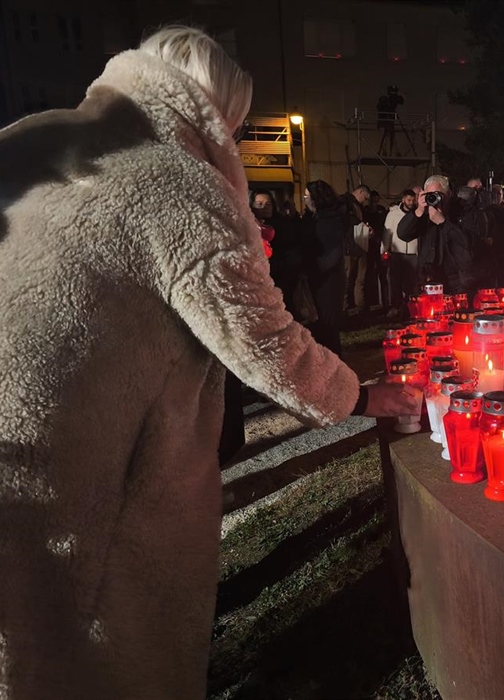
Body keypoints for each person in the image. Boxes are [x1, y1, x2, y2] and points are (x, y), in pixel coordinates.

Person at [0, 26, 416, 699]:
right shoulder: (174, 183)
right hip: (78, 475)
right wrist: (367, 398)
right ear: (217, 115)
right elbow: (264, 343)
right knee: (93, 651)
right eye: (239, 127)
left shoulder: (33, 137)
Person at [397, 174, 477, 297]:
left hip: (458, 280)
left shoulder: (463, 212)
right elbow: (403, 234)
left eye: (439, 194)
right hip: (430, 279)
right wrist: (418, 211)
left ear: (449, 194)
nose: (435, 198)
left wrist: (443, 222)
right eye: (430, 195)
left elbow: (468, 242)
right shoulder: (423, 215)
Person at [301, 180, 348, 357]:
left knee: (328, 327)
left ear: (317, 198)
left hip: (329, 281)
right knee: (319, 327)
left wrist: (311, 269)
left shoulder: (331, 220)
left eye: (307, 196)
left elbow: (333, 255)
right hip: (317, 278)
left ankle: (337, 369)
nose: (304, 200)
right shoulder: (314, 218)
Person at [382, 188, 418, 318]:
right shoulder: (393, 214)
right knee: (395, 281)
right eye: (408, 200)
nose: (411, 202)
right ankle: (395, 306)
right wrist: (385, 250)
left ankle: (409, 307)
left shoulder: (416, 213)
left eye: (413, 200)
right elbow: (387, 233)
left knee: (411, 283)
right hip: (397, 253)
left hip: (413, 253)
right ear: (403, 199)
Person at [341, 184, 372, 314]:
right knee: (347, 279)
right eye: (364, 198)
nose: (364, 201)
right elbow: (347, 221)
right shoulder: (344, 202)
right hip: (349, 246)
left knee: (360, 279)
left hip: (360, 245)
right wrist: (360, 225)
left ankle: (361, 306)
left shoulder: (358, 206)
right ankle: (344, 308)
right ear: (360, 192)